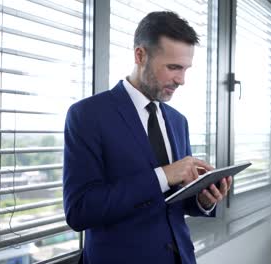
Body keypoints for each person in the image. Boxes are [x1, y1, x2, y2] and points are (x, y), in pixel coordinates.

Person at [63, 11, 232, 264]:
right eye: (173, 67)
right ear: (140, 55)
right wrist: (165, 174)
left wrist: (202, 199)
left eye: (185, 69)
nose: (181, 80)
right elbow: (79, 211)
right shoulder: (87, 115)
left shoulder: (178, 121)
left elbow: (174, 203)